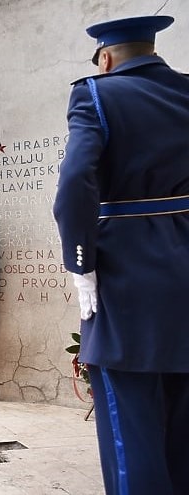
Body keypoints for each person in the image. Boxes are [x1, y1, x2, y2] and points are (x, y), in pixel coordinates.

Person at [52, 15, 189, 495]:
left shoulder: (96, 93)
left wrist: (81, 263)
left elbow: (74, 187)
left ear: (105, 58)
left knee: (131, 432)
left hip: (127, 279)